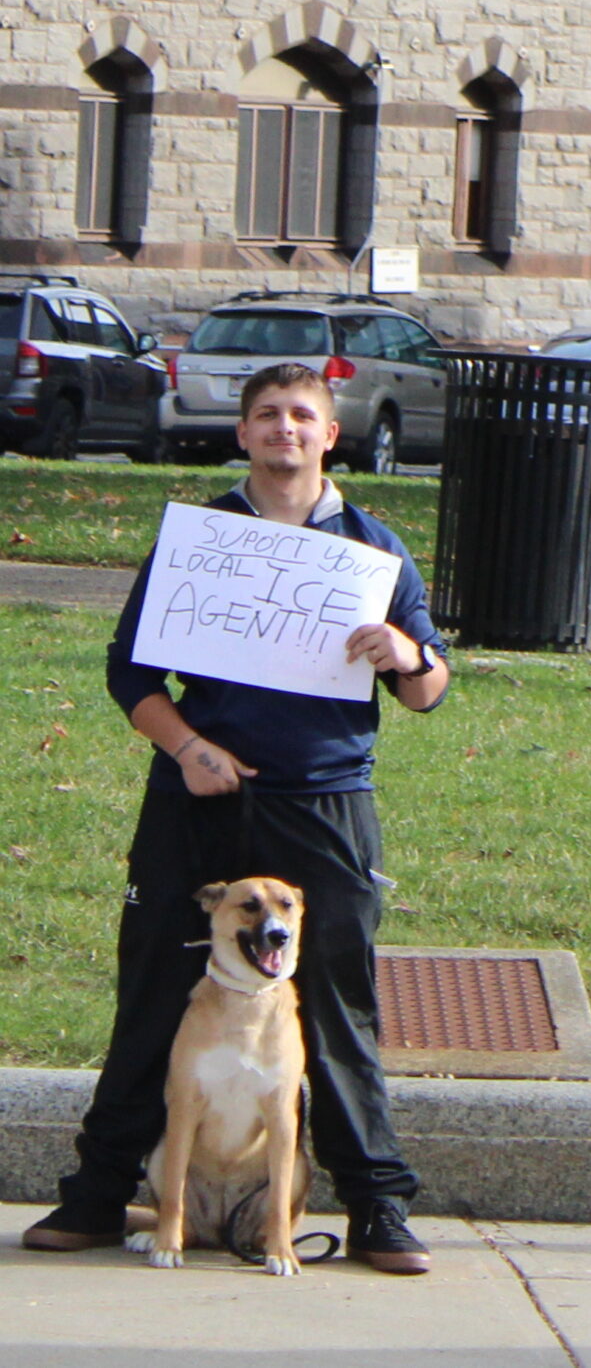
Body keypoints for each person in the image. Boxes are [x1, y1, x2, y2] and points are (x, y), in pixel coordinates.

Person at [20, 362, 450, 1275]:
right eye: (266, 416)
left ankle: (376, 1205)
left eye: (302, 416)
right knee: (151, 992)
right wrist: (186, 748)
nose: (284, 430)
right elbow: (129, 674)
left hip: (325, 798)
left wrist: (405, 653)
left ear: (330, 434)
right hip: (199, 799)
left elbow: (429, 690)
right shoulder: (202, 537)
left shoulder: (375, 550)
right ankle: (99, 1192)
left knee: (336, 1002)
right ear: (244, 433)